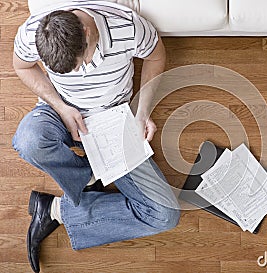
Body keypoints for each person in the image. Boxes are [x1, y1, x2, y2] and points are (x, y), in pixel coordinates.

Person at [12, 1, 180, 272]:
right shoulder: (34, 31)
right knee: (29, 141)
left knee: (165, 215)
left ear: (87, 33)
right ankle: (91, 175)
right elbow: (21, 66)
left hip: (114, 119)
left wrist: (142, 110)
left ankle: (54, 210)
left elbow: (156, 56)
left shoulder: (127, 26)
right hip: (62, 110)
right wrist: (62, 108)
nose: (81, 72)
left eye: (83, 63)